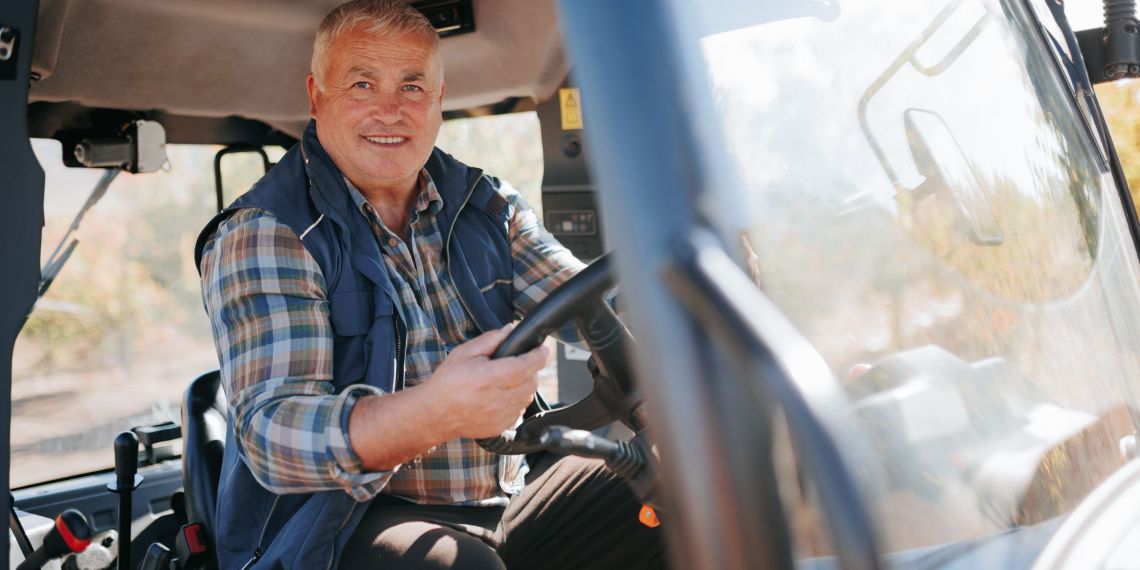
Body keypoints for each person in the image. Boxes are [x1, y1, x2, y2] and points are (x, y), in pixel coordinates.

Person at [194, 1, 665, 568]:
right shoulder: (269, 232)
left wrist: (679, 306)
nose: (390, 111)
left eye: (413, 87)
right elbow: (273, 438)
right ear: (317, 97)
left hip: (507, 492)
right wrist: (436, 412)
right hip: (340, 522)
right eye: (363, 84)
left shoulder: (485, 205)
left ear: (439, 100)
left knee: (686, 481)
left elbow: (593, 304)